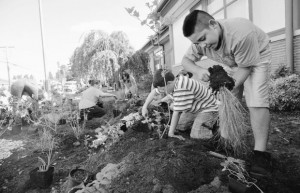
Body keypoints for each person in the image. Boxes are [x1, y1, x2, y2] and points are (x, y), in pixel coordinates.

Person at [182, 10, 272, 177]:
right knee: (227, 100)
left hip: (257, 56)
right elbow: (185, 61)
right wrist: (198, 69)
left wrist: (229, 86)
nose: (201, 46)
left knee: (256, 101)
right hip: (234, 60)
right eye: (197, 43)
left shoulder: (241, 34)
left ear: (213, 24)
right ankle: (227, 140)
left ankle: (261, 154)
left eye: (202, 39)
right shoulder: (200, 41)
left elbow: (245, 67)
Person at [142, 69, 220, 141]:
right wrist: (144, 107)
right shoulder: (173, 82)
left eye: (162, 89)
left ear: (169, 83)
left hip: (208, 108)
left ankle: (215, 134)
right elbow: (154, 92)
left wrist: (171, 133)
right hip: (194, 108)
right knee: (180, 127)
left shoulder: (181, 87)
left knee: (197, 135)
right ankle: (197, 123)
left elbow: (177, 113)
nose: (161, 91)